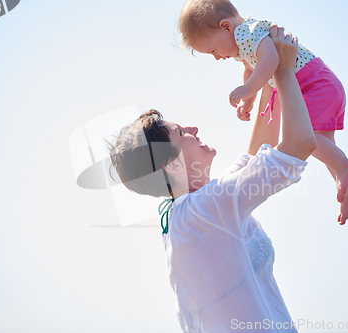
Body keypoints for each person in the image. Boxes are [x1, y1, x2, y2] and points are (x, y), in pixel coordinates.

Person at [108, 27, 314, 332]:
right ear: (171, 164)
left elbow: (257, 154)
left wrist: (266, 76)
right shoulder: (199, 212)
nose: (193, 128)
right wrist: (284, 71)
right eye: (181, 133)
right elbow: (298, 146)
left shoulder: (191, 212)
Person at [178, 0, 348, 224]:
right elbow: (251, 68)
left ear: (226, 26)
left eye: (213, 50)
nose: (216, 57)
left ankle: (344, 166)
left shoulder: (248, 33)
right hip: (317, 84)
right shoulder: (242, 44)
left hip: (314, 84)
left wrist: (248, 89)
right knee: (325, 146)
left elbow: (271, 59)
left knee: (309, 137)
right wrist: (249, 99)